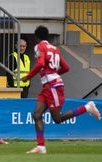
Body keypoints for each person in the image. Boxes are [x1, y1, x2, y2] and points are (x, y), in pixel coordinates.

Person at [21, 25, 101, 154]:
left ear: (36, 38)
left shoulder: (39, 47)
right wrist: (55, 73)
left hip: (52, 86)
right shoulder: (55, 49)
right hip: (48, 86)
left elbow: (40, 64)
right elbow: (66, 67)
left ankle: (87, 108)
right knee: (36, 114)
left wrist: (28, 77)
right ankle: (41, 146)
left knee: (57, 119)